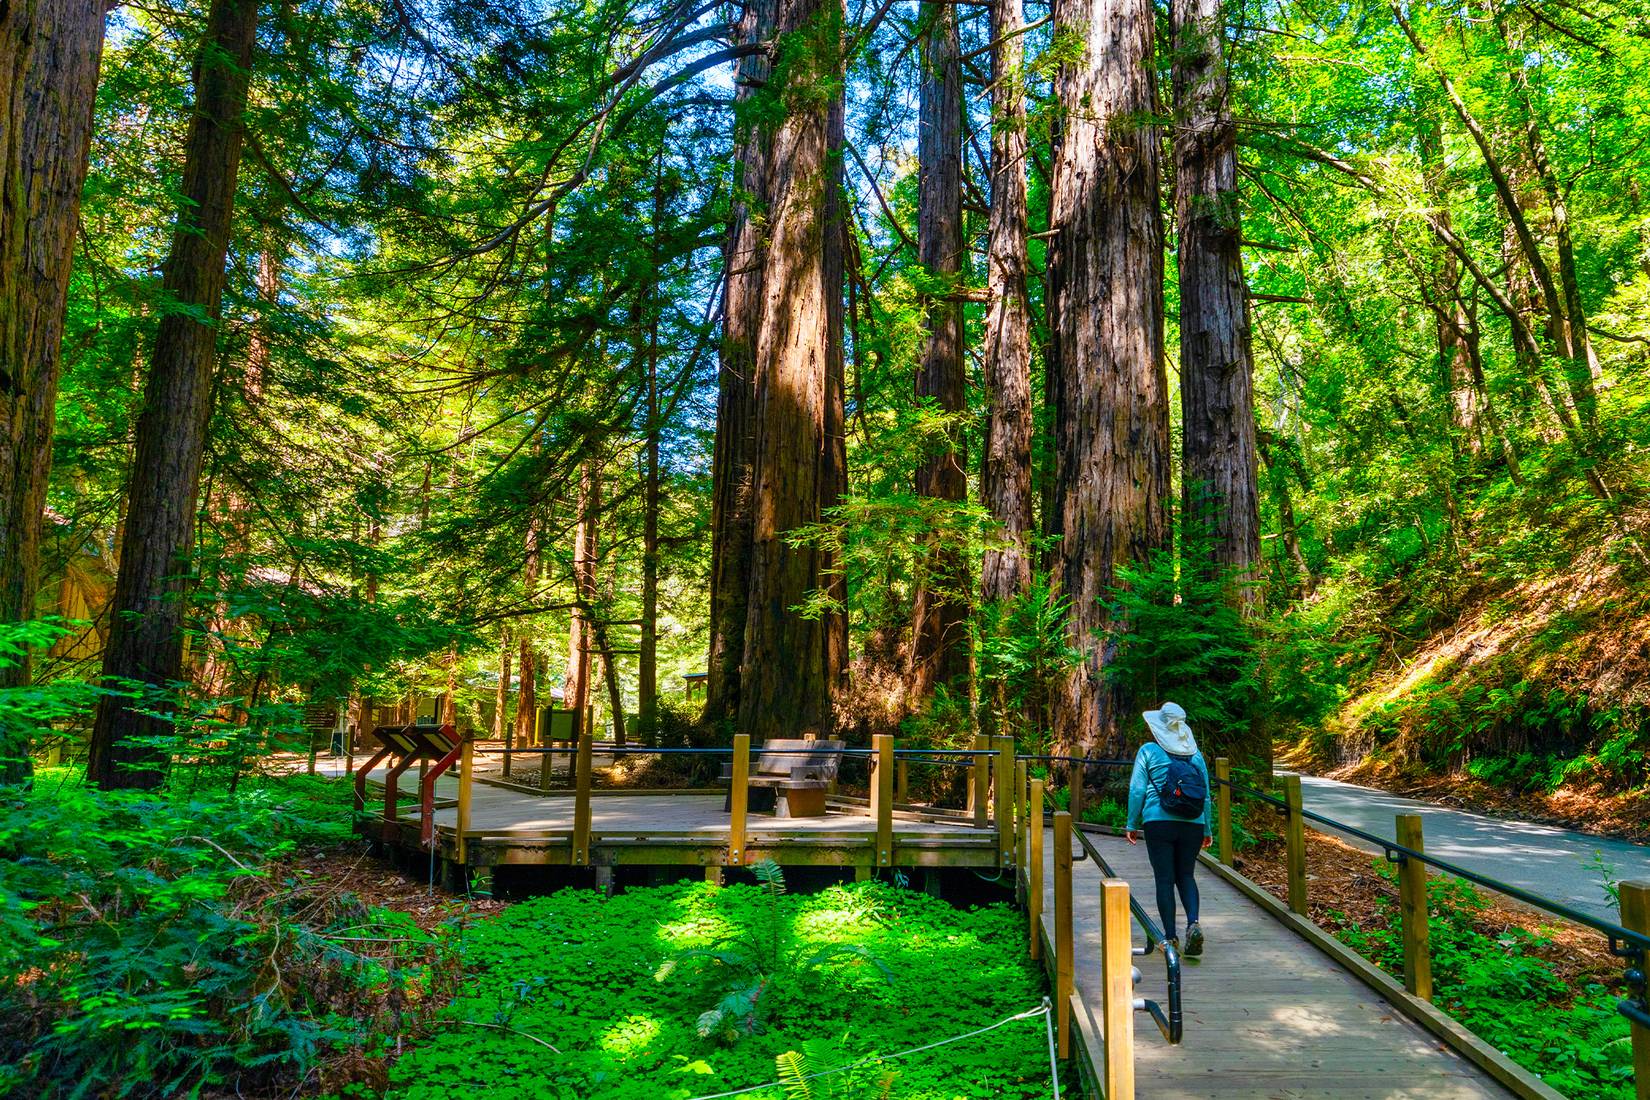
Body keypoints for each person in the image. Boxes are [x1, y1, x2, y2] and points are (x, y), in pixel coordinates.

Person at [1124, 702, 1213, 956]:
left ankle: (1171, 938)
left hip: (1158, 822)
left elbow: (1137, 789)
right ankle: (1193, 923)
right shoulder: (1195, 755)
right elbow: (1205, 796)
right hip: (1192, 823)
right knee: (1186, 875)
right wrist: (1207, 827)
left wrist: (1132, 823)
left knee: (1164, 878)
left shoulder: (1149, 750)